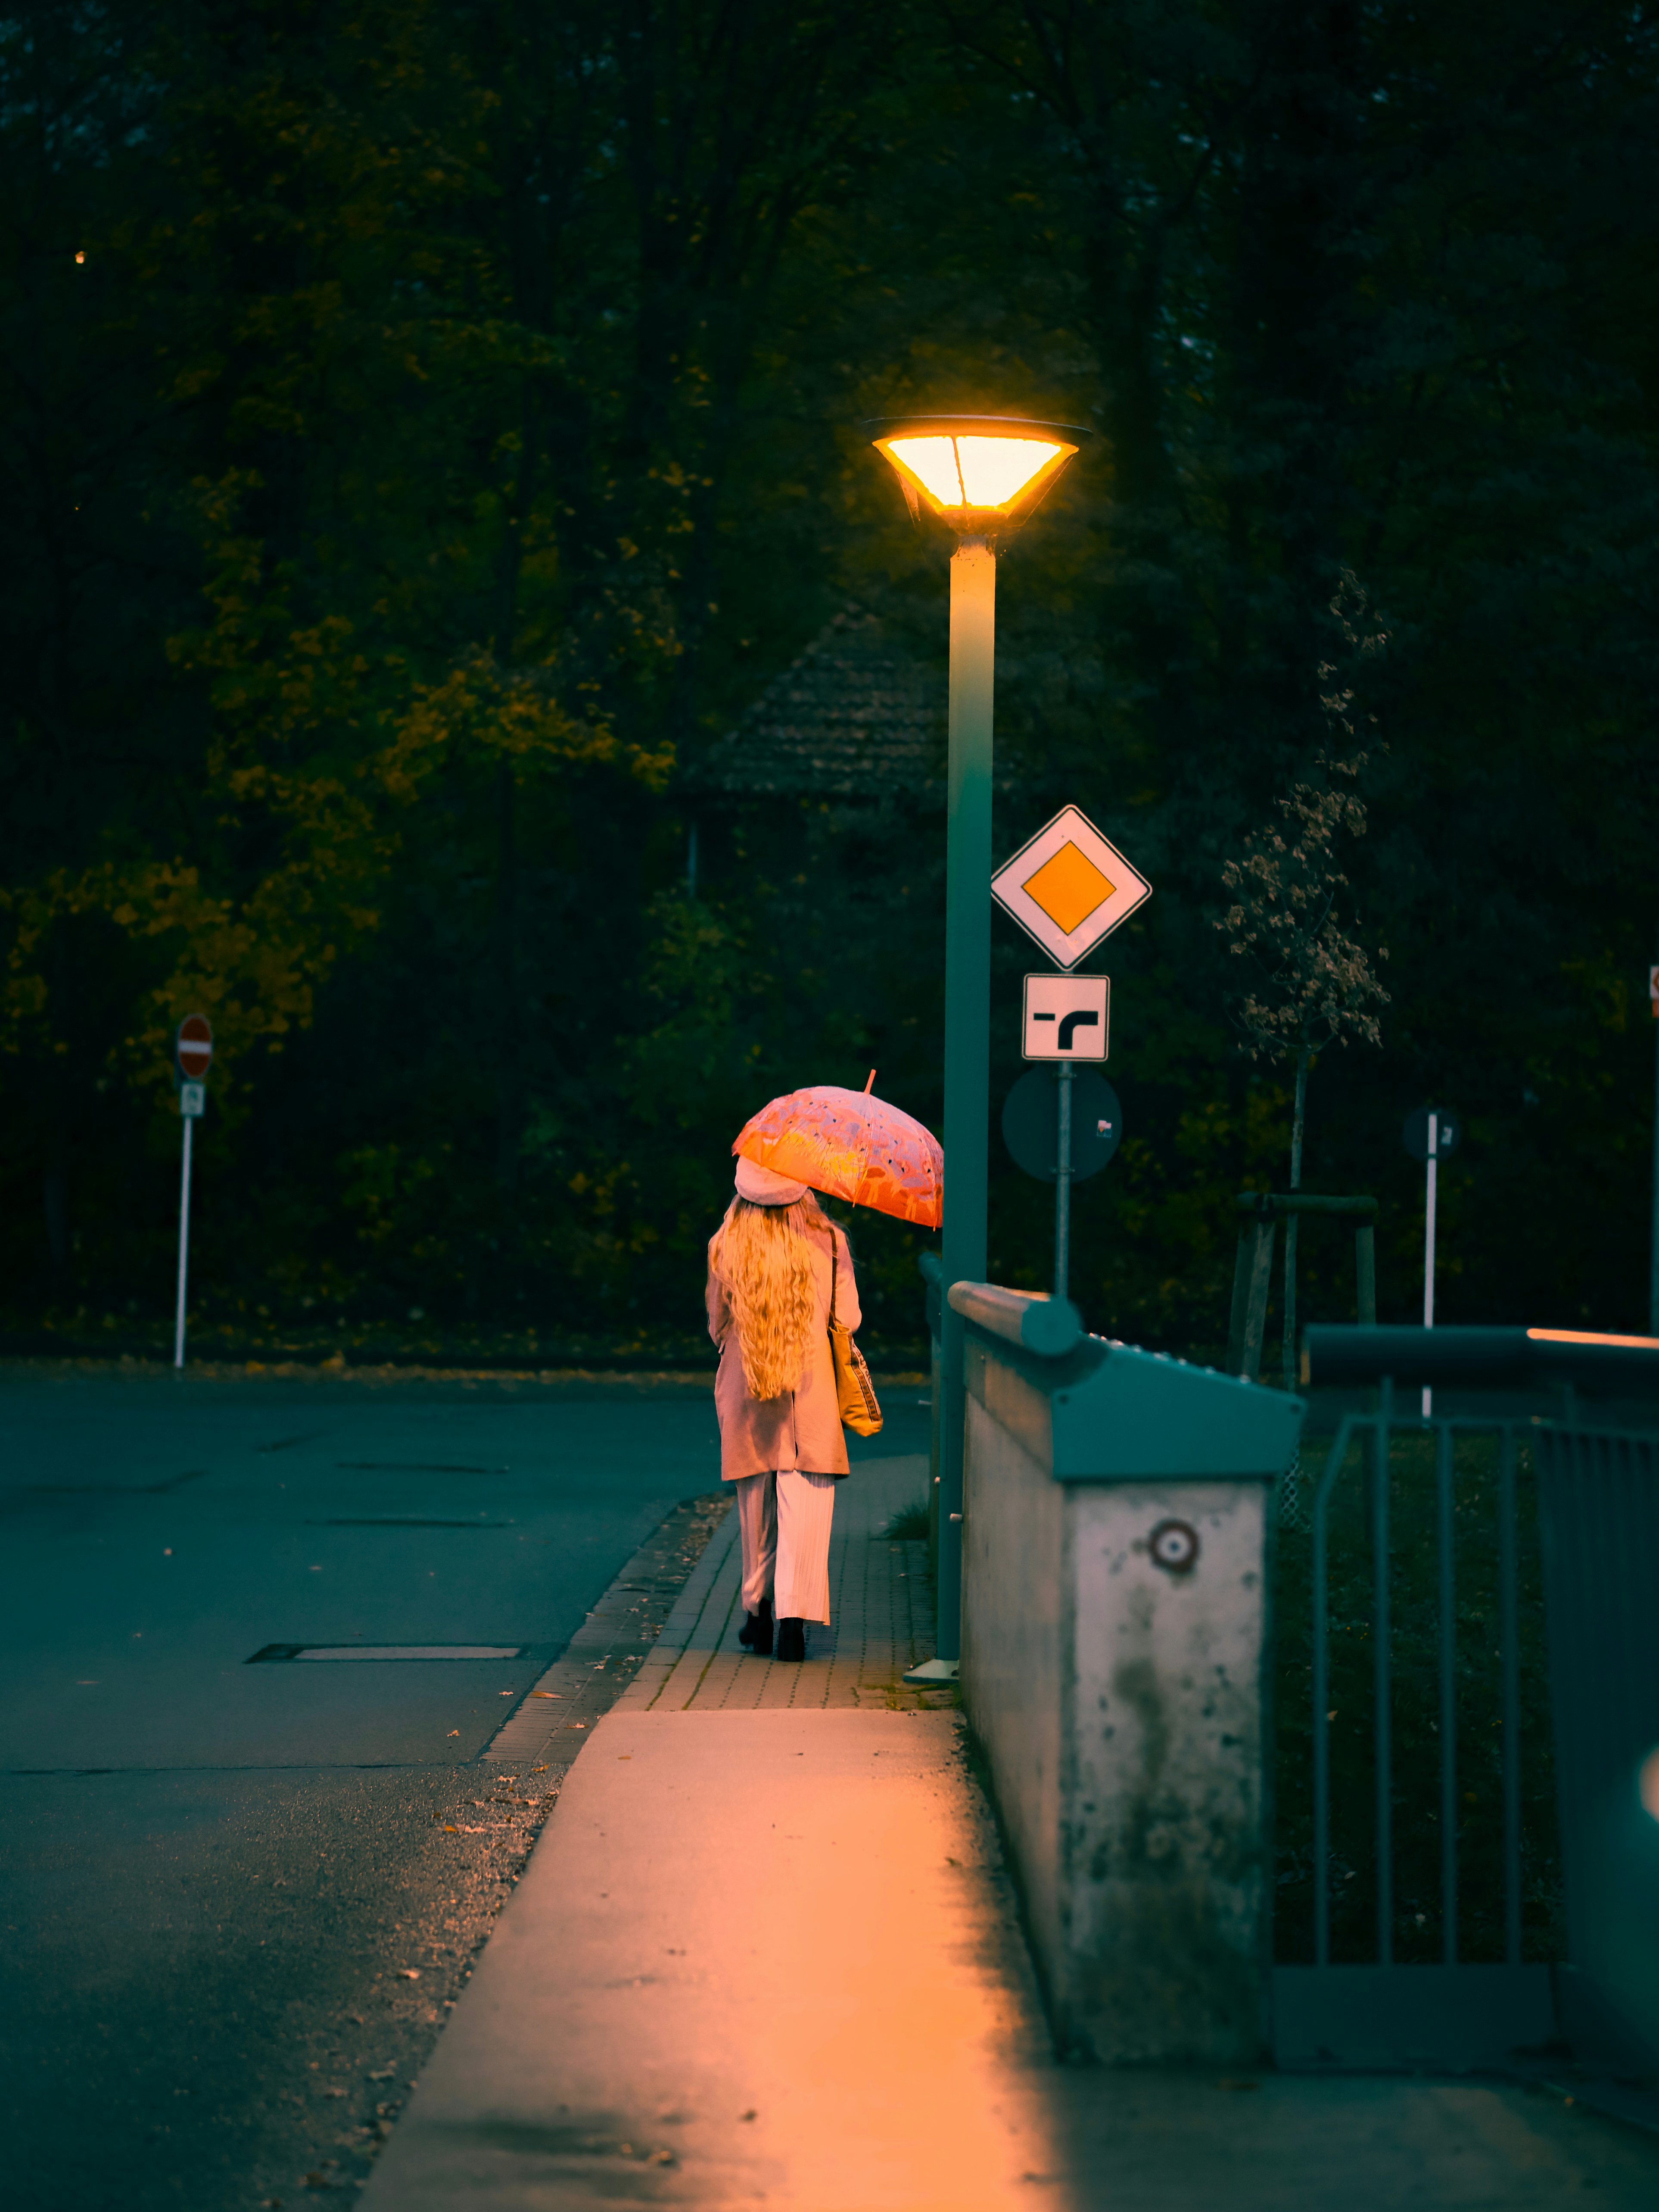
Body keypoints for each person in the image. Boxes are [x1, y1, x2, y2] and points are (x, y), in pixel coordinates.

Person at [706, 1156, 860, 1662]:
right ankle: (794, 1624)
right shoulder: (829, 1242)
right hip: (810, 1389)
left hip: (747, 1385)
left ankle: (758, 1612)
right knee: (807, 1506)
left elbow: (716, 1323)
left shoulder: (725, 1243)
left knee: (756, 1511)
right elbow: (849, 1318)